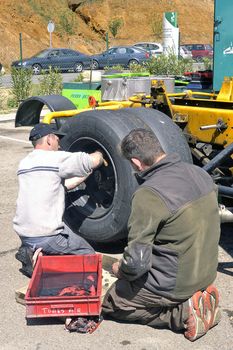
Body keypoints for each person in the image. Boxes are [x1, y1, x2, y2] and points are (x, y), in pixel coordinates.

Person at [102, 128, 221, 342]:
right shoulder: (200, 173)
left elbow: (137, 264)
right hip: (206, 273)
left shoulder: (149, 194)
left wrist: (122, 269)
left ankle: (182, 314)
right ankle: (197, 299)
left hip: (176, 284)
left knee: (112, 301)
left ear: (137, 163)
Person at [13, 123, 105, 276]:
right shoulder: (54, 158)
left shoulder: (25, 164)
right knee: (88, 254)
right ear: (49, 140)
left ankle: (35, 254)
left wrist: (86, 174)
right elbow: (91, 161)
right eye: (57, 139)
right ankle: (81, 285)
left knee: (58, 243)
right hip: (46, 235)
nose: (59, 144)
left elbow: (63, 185)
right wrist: (100, 154)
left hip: (25, 233)